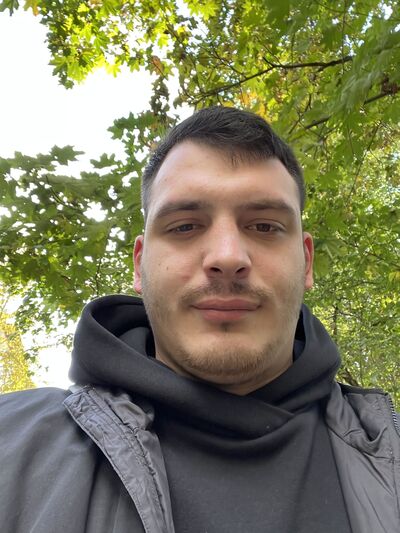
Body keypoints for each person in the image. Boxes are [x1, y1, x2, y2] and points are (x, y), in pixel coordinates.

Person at [0, 106, 399, 533]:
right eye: (185, 227)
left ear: (306, 261)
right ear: (139, 265)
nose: (227, 257)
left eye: (265, 226)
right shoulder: (10, 443)